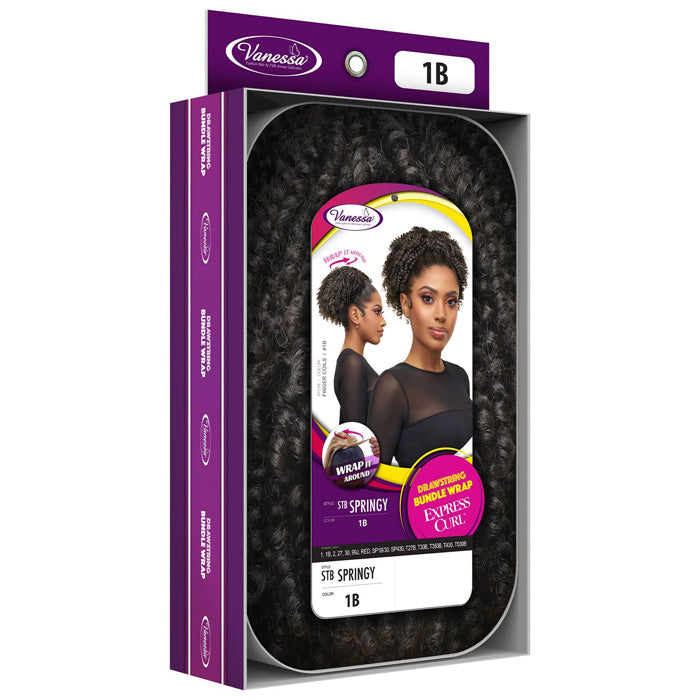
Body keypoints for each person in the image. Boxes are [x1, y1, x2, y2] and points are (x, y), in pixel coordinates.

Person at [368, 227, 473, 467]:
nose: (441, 314)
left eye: (451, 301)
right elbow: (376, 483)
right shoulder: (392, 386)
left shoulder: (460, 377)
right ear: (406, 304)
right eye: (427, 298)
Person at [317, 266, 387, 425]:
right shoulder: (352, 363)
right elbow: (354, 434)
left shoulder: (352, 362)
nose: (383, 322)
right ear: (355, 315)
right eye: (377, 312)